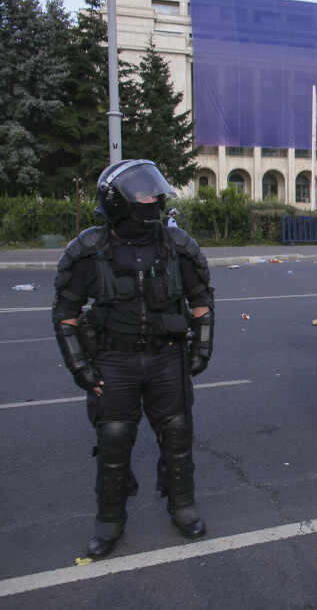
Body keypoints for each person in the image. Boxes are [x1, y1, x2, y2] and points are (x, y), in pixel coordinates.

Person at [52, 159, 214, 558]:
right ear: (117, 200)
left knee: (177, 435)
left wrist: (201, 350)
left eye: (155, 193)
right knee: (113, 439)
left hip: (167, 360)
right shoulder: (90, 250)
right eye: (143, 194)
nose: (153, 200)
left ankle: (183, 507)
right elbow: (66, 313)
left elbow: (202, 302)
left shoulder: (176, 245)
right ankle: (109, 520)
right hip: (114, 361)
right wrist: (81, 369)